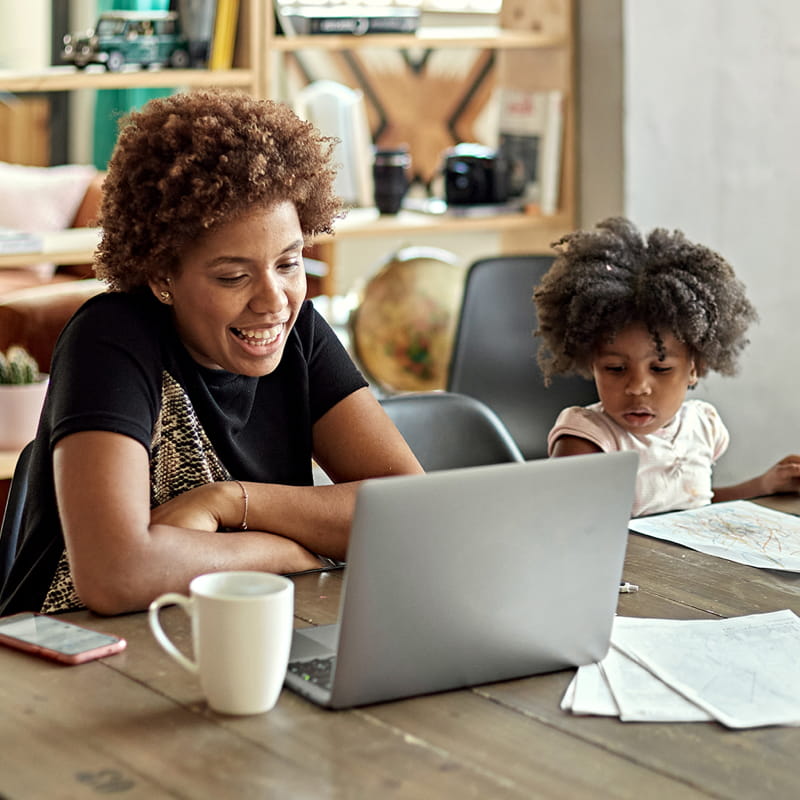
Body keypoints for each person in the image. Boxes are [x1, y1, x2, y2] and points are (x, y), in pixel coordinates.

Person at [0, 89, 423, 617]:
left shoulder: (300, 334)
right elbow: (114, 575)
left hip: (230, 631)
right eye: (233, 276)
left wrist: (230, 501)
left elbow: (412, 515)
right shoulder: (110, 338)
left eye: (289, 264)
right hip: (70, 655)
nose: (273, 301)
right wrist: (289, 553)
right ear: (161, 276)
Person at [533, 216, 800, 518]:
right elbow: (563, 527)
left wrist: (764, 484)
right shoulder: (587, 440)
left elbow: (694, 509)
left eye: (660, 368)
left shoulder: (703, 426)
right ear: (592, 363)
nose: (637, 386)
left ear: (695, 368)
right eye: (615, 368)